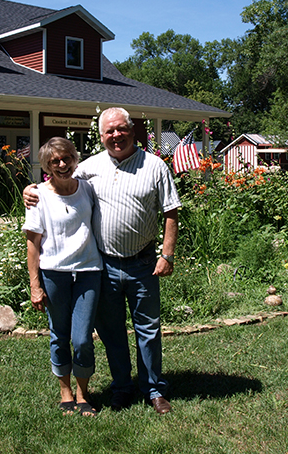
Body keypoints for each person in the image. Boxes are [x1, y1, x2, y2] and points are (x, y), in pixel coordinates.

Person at [25, 107, 180, 415]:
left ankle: (153, 390)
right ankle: (122, 387)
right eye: (109, 131)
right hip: (103, 266)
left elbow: (171, 211)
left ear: (133, 130)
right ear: (101, 136)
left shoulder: (155, 166)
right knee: (111, 332)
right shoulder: (90, 167)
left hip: (143, 262)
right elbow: (58, 183)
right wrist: (31, 190)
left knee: (148, 329)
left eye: (121, 129)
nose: (116, 135)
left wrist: (167, 254)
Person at [22, 137, 103, 416]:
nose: (62, 164)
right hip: (54, 273)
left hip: (88, 271)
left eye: (67, 158)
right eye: (54, 161)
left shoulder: (88, 190)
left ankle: (83, 394)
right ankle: (65, 392)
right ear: (46, 165)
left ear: (74, 159)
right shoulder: (37, 196)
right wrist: (35, 286)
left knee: (81, 338)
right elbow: (33, 243)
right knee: (59, 334)